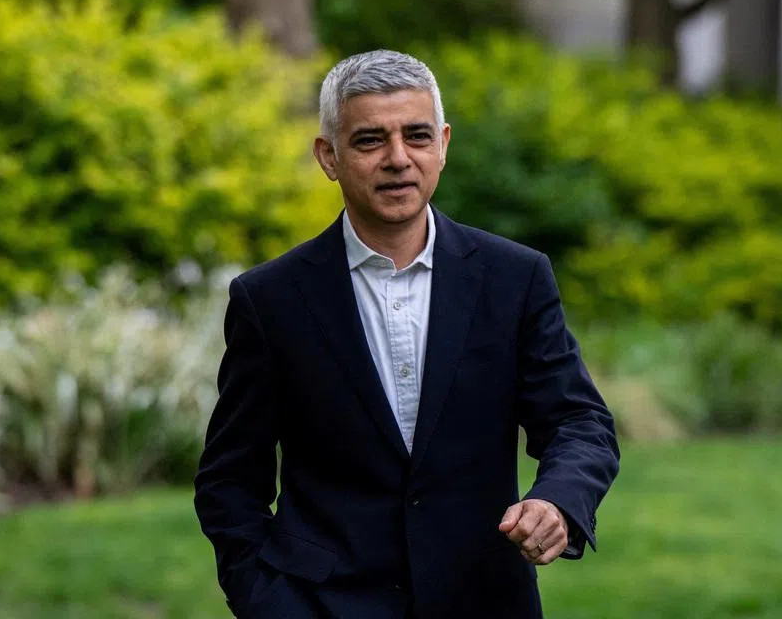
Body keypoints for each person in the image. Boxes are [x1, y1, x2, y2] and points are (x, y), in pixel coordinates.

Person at [193, 49, 620, 619]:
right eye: (370, 140)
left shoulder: (515, 277)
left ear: (443, 144)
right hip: (322, 605)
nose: (398, 159)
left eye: (416, 136)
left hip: (485, 600)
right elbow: (229, 479)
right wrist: (265, 600)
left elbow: (578, 420)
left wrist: (558, 502)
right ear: (329, 156)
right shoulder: (269, 299)